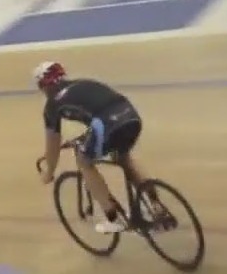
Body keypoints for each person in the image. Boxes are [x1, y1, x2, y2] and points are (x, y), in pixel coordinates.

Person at [34, 61, 161, 234]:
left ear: (43, 86)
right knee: (122, 156)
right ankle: (156, 206)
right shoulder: (83, 83)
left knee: (84, 161)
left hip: (106, 123)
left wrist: (49, 173)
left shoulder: (52, 106)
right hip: (130, 115)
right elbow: (99, 109)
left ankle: (114, 218)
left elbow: (52, 144)